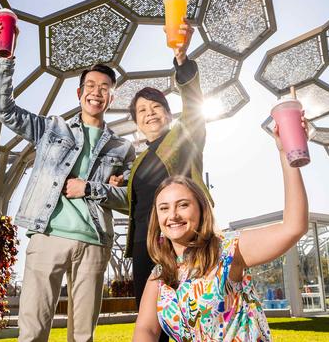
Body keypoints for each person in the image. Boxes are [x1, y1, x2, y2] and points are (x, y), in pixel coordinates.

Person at [0, 20, 135, 342]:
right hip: (48, 237)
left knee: (82, 336)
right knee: (33, 331)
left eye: (104, 89)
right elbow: (3, 110)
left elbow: (131, 200)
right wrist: (5, 58)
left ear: (111, 97)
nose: (97, 93)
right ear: (80, 92)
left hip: (95, 242)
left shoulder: (122, 147)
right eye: (92, 86)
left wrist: (93, 189)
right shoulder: (53, 129)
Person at [132, 120, 309, 341]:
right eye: (164, 208)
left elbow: (293, 227)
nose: (173, 215)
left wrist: (286, 154)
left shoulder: (228, 250)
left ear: (201, 210)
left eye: (183, 205)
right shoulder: (160, 275)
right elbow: (146, 329)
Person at [112, 18, 213, 317]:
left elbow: (194, 106)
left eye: (156, 107)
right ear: (137, 122)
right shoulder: (140, 159)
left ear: (168, 115)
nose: (149, 113)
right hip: (144, 246)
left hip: (177, 239)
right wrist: (120, 187)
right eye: (142, 111)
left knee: (187, 314)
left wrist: (182, 60)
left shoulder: (184, 135)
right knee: (151, 319)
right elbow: (137, 205)